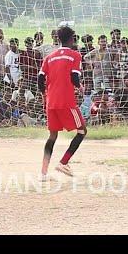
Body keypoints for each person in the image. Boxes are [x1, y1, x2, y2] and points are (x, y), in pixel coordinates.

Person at [38, 26, 87, 178]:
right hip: (66, 102)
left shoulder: (49, 57)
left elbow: (40, 79)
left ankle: (43, 173)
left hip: (51, 102)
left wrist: (43, 94)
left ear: (58, 39)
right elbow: (74, 77)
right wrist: (80, 87)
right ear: (72, 38)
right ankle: (63, 163)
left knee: (52, 136)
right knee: (82, 131)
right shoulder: (75, 55)